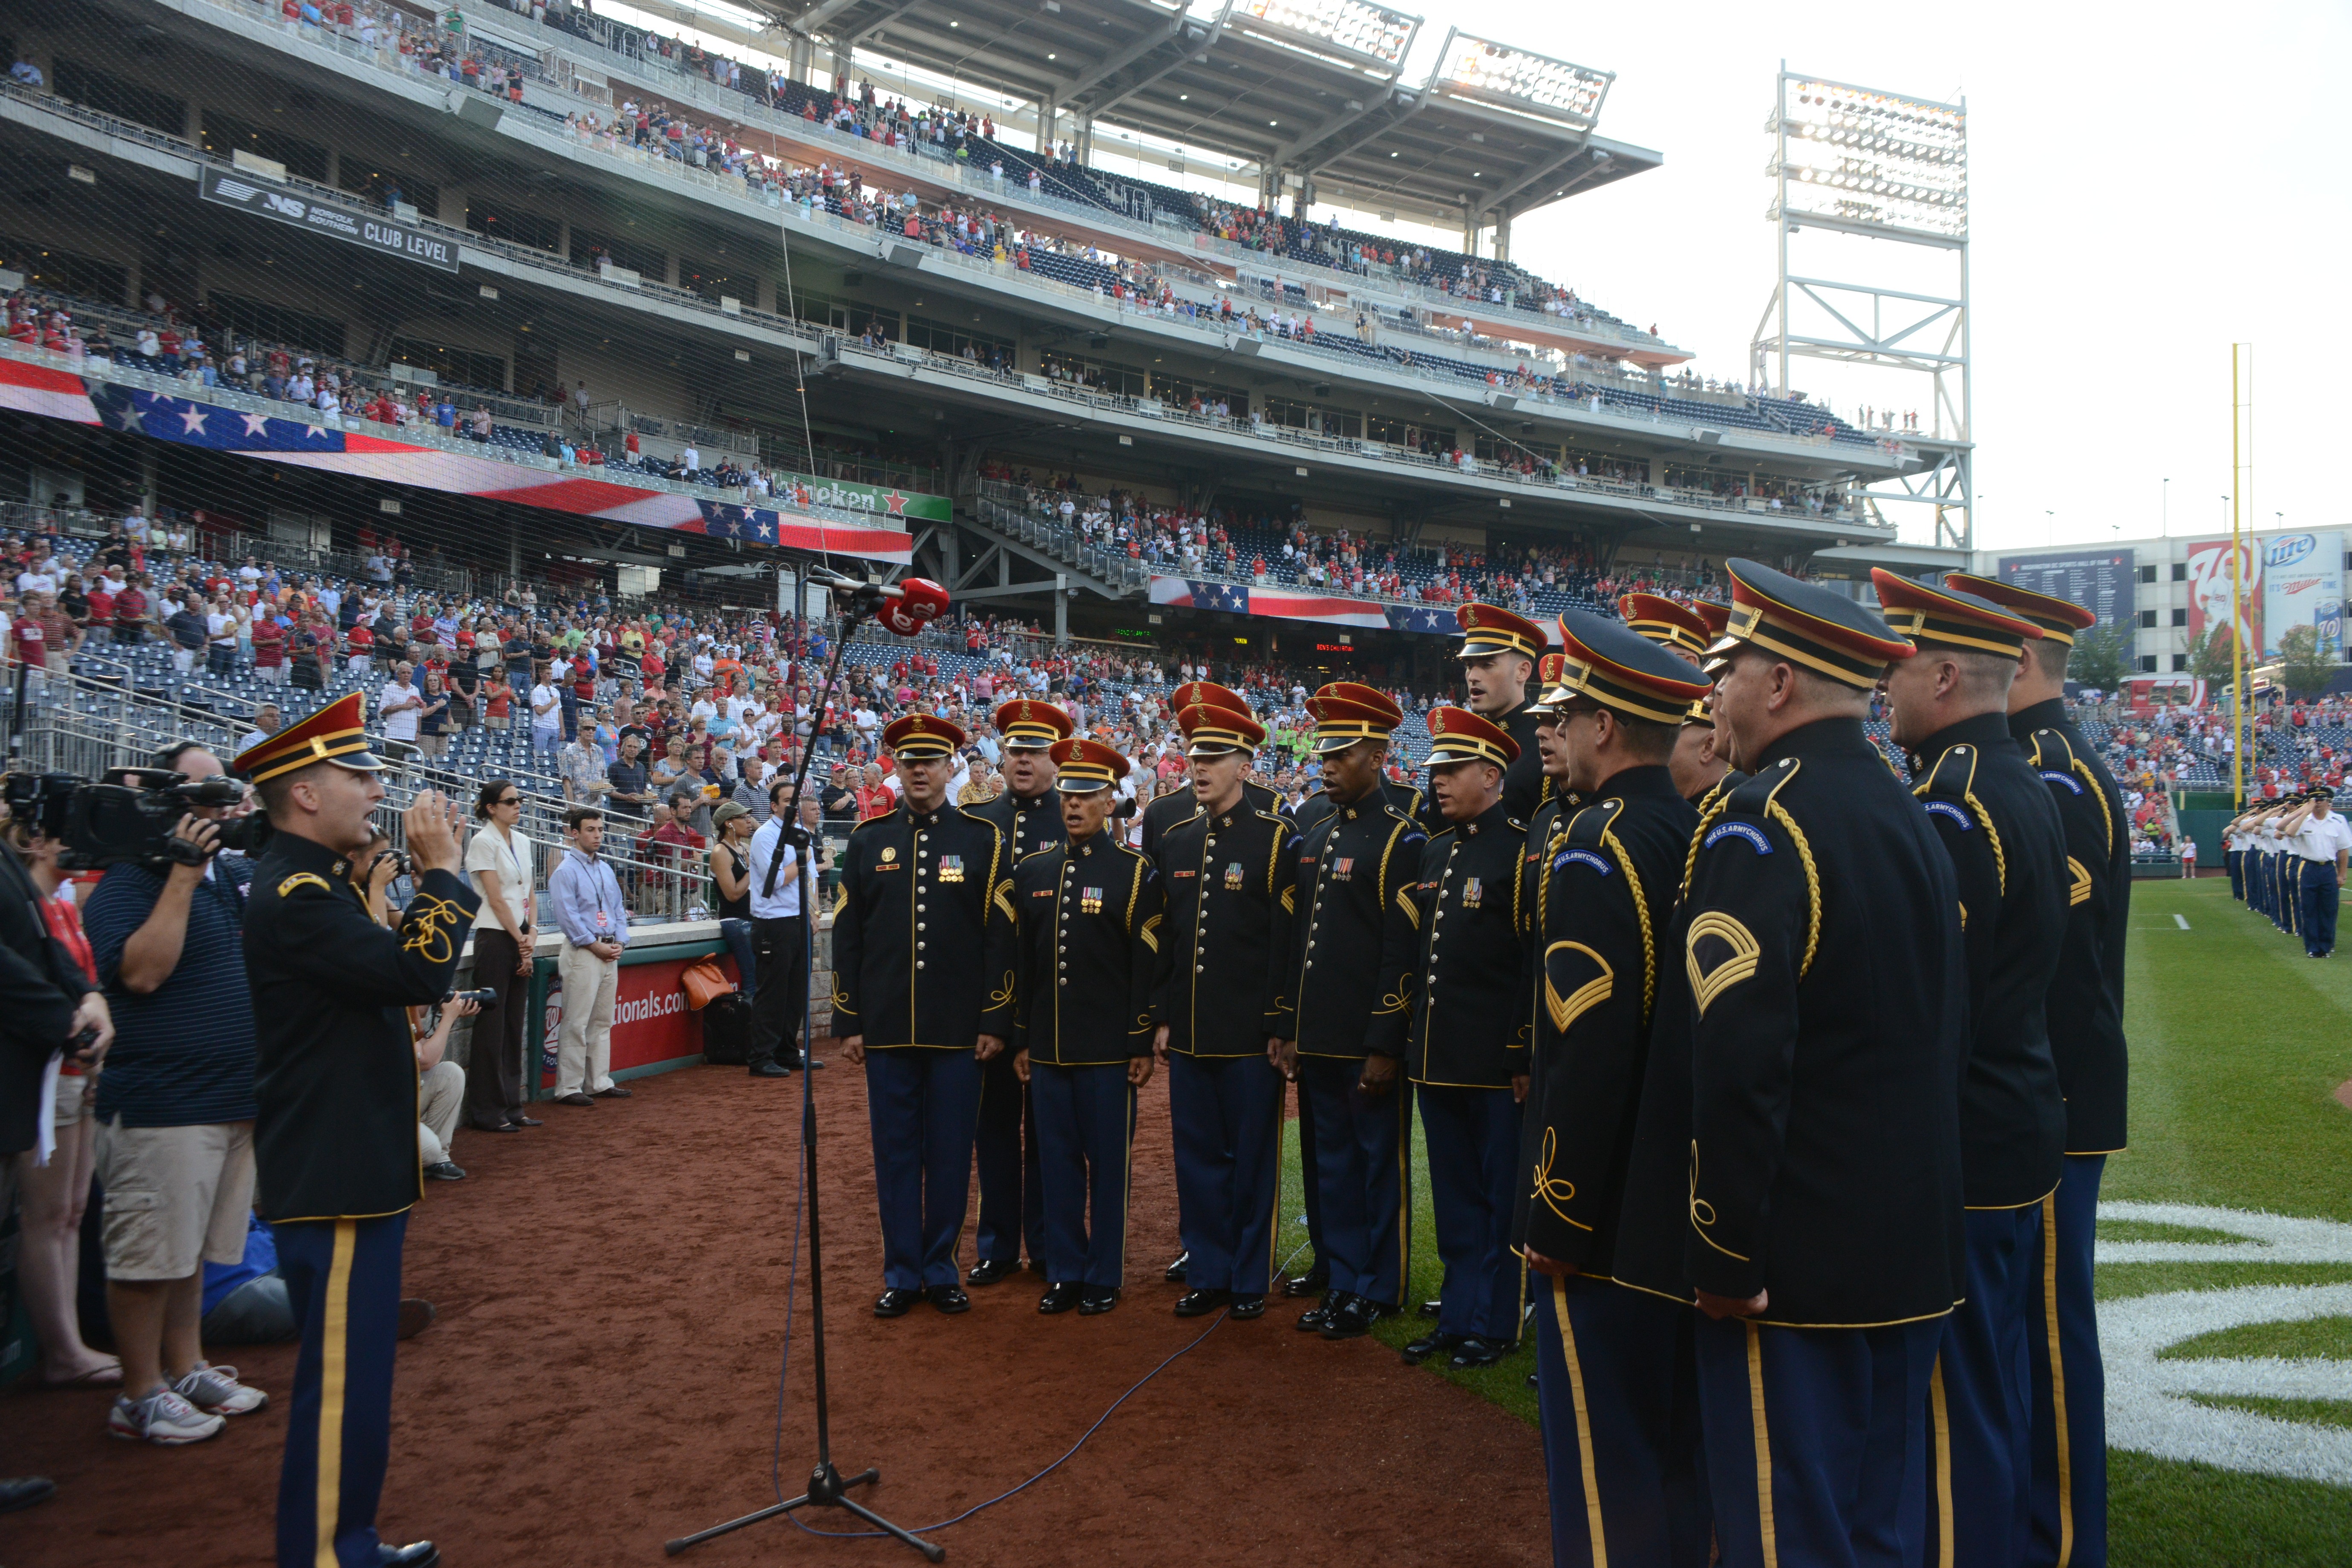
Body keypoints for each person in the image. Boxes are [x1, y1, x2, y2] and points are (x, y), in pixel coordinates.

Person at [1611, 559, 1965, 1568]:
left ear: (1777, 684)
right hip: (1906, 1251)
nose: (1709, 690)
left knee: (1786, 1533)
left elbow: (1736, 1065)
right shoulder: (1907, 812)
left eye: (1726, 669)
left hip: (1794, 1267)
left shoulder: (1760, 823)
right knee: (1878, 1531)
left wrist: (1722, 1256)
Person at [236, 692, 475, 1568]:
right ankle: (330, 1557)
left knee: (361, 1381)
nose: (376, 788)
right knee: (340, 1389)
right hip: (334, 1172)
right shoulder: (296, 891)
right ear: (303, 791)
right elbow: (416, 972)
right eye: (357, 773)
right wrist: (444, 873)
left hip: (351, 1168)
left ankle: (351, 1542)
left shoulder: (317, 883)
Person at [1875, 571, 2069, 1568]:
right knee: (1990, 1388)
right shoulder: (2019, 780)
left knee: (1953, 1410)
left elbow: (1931, 1011)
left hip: (1964, 1140)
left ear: (1945, 671)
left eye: (1897, 665)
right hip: (2014, 1119)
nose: (1882, 686)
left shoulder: (1950, 804)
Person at [1515, 613, 1711, 1567]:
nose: (1556, 729)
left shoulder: (1596, 845)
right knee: (1680, 1455)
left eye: (1569, 712)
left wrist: (1556, 1215)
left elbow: (1586, 1056)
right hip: (1687, 1199)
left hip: (1608, 1218)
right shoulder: (1698, 827)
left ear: (1603, 727)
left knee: (1605, 1471)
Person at [1949, 571, 2133, 1565]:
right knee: (2028, 1332)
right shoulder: (2048, 761)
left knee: (2050, 1339)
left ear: (2012, 661)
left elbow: (2051, 967)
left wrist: (2042, 1097)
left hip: (2051, 1096)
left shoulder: (2050, 772)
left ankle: (2059, 1540)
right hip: (2051, 1091)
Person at [81, 742, 268, 1444]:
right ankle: (138, 1394)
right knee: (147, 1259)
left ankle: (186, 1367)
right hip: (163, 1102)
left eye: (227, 795)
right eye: (205, 795)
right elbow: (143, 975)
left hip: (228, 1098)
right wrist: (183, 875)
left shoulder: (228, 874)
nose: (222, 809)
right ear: (165, 802)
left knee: (189, 1254)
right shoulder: (130, 879)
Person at [830, 712, 1017, 1318]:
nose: (917, 770)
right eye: (908, 761)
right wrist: (849, 1021)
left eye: (929, 761)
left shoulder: (983, 841)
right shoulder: (866, 839)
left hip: (959, 1031)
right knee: (895, 1155)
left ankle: (941, 1269)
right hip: (886, 1030)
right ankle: (901, 1272)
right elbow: (848, 936)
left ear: (949, 768)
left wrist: (995, 1020)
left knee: (949, 1152)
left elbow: (999, 939)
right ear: (896, 767)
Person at [1271, 686, 1424, 1340]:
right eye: (1324, 753)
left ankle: (1377, 1286)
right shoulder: (1316, 833)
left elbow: (1402, 953)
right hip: (1320, 1038)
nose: (1327, 764)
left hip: (1366, 1040)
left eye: (1341, 753)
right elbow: (1300, 942)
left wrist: (1386, 1042)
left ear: (1379, 755)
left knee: (1374, 1166)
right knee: (1330, 1164)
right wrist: (1290, 1030)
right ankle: (1340, 1273)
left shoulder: (1402, 841)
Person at [1390, 706, 1529, 1372]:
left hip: (1495, 1065)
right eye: (1435, 771)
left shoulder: (1524, 850)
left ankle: (1496, 1322)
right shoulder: (1435, 848)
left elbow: (1532, 964)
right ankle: (1458, 1312)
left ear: (1493, 775)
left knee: (1500, 1200)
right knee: (1455, 1199)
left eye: (1452, 771)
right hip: (1438, 1056)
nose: (1437, 782)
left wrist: (1521, 1050)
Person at [1149, 698, 1292, 1320]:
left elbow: (1286, 945)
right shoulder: (1178, 841)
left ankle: (1248, 1277)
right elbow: (1170, 942)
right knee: (1197, 1159)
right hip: (1191, 1030)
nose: (1199, 767)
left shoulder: (1277, 839)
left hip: (1248, 1034)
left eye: (1215, 758)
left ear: (1245, 765)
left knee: (1252, 1160)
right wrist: (1161, 1016)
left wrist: (1281, 1023)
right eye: (1195, 756)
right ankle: (1207, 1269)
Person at [1012, 738, 1160, 1316]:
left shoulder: (1133, 872)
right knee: (1057, 1164)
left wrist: (1139, 1041)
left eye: (1088, 796)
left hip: (1107, 1052)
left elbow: (1144, 965)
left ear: (1110, 802)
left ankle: (1105, 1273)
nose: (1074, 806)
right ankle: (1066, 1269)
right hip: (1049, 1047)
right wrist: (1024, 1037)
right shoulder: (1034, 871)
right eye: (1069, 795)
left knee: (1109, 1166)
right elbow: (1024, 964)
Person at [3, 810, 121, 1390]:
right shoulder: (34, 909)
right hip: (47, 1073)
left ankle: (70, 1342)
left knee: (71, 1214)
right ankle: (62, 1348)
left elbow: (86, 982)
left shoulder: (63, 906)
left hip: (79, 1068)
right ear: (38, 845)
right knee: (48, 1218)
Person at [964, 698, 1073, 1285]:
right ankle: (998, 1244)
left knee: (1052, 1136)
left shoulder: (1075, 817)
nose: (1023, 760)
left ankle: (1051, 1244)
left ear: (1055, 757)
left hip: (1053, 1003)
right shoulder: (979, 822)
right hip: (991, 1007)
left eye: (1035, 751)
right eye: (1015, 750)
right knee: (996, 1132)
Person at [461, 779, 538, 1135]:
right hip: (494, 937)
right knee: (491, 1027)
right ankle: (487, 1110)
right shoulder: (482, 841)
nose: (517, 806)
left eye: (519, 800)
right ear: (491, 807)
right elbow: (494, 898)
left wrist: (532, 933)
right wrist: (521, 937)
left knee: (513, 1024)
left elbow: (529, 891)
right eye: (510, 802)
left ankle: (512, 1105)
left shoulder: (523, 840)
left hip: (520, 934)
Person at [547, 806, 630, 1107]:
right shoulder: (566, 870)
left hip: (609, 950)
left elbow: (618, 910)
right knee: (576, 1021)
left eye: (600, 830)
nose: (597, 836)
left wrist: (621, 941)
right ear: (574, 833)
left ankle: (598, 1081)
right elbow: (567, 917)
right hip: (584, 951)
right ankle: (568, 1087)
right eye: (591, 830)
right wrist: (593, 944)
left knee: (602, 1020)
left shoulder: (605, 868)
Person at [743, 781, 826, 1076]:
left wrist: (814, 912)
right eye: (787, 800)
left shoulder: (800, 835)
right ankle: (761, 1057)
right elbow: (776, 880)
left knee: (796, 993)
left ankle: (788, 1051)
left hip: (799, 919)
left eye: (796, 800)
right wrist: (802, 858)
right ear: (775, 806)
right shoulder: (766, 836)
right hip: (773, 923)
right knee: (773, 993)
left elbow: (813, 878)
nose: (793, 806)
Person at [1450, 603, 1549, 822]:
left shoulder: (1546, 740)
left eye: (1487, 665)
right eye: (1469, 665)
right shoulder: (1459, 739)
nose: (1473, 676)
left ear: (1523, 671)